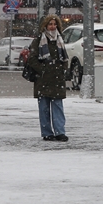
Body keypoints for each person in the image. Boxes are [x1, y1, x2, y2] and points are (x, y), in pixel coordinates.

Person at [27, 14, 69, 142]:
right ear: (45, 26)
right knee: (44, 107)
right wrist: (43, 70)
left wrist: (62, 69)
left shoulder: (60, 39)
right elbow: (32, 59)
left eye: (55, 24)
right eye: (50, 24)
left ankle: (60, 132)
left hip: (57, 78)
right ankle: (47, 133)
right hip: (43, 79)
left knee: (58, 106)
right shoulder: (39, 40)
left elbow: (64, 58)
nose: (53, 26)